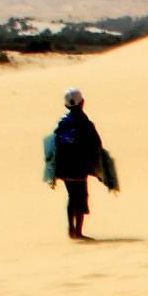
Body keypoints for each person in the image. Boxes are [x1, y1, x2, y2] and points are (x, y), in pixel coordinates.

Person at [47, 88, 111, 240]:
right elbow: (96, 145)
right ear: (82, 103)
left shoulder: (62, 123)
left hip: (64, 167)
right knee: (81, 196)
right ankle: (78, 231)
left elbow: (53, 144)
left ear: (66, 106)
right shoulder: (85, 123)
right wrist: (100, 169)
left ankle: (71, 229)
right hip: (79, 167)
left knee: (72, 196)